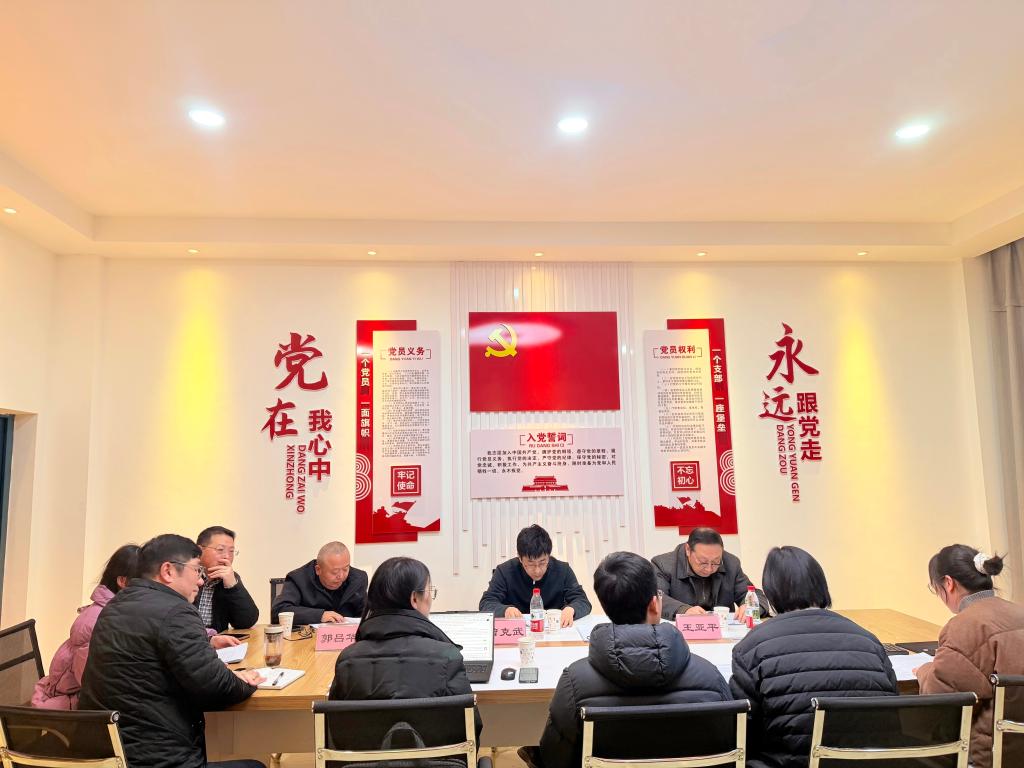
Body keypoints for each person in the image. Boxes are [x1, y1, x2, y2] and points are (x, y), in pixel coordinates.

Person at [523, 551, 731, 768]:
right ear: (654, 605)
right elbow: (730, 745)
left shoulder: (574, 681)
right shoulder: (710, 676)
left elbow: (554, 757)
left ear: (606, 607)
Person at [79, 534, 265, 768]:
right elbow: (216, 688)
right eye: (196, 570)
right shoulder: (176, 612)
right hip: (154, 757)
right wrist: (245, 680)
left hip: (107, 754)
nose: (201, 581)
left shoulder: (115, 605)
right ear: (167, 571)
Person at [730, 546, 897, 768]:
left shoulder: (751, 646)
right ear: (821, 585)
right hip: (868, 762)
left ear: (771, 594)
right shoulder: (868, 640)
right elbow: (892, 711)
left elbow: (743, 728)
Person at [328, 556, 482, 741]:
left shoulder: (348, 659)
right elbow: (469, 729)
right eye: (429, 591)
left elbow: (335, 729)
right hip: (440, 758)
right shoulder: (447, 656)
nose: (430, 598)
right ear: (414, 598)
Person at [915, 545, 1024, 768]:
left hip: (990, 757)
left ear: (948, 583)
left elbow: (940, 703)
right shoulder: (1019, 613)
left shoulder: (964, 627)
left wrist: (924, 671)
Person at [32, 544, 140, 709]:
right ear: (123, 582)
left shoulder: (116, 615)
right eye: (144, 581)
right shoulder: (100, 622)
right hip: (72, 709)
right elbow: (95, 686)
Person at [479, 524, 591, 627]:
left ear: (548, 556)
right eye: (531, 564)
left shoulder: (563, 570)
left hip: (554, 631)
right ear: (520, 558)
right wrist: (505, 610)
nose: (537, 571)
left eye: (542, 562)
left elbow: (582, 601)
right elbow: (486, 603)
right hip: (517, 632)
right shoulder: (504, 571)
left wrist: (571, 609)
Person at [652, 527, 762, 619]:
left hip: (724, 632)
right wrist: (683, 610)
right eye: (703, 562)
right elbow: (656, 597)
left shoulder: (731, 563)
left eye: (715, 562)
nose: (709, 569)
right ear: (688, 550)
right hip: (681, 633)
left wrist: (750, 606)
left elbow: (754, 594)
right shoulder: (663, 565)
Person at [272, 541, 368, 624]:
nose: (341, 576)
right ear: (318, 569)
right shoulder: (299, 579)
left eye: (345, 569)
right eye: (334, 572)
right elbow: (279, 611)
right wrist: (320, 615)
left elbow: (366, 614)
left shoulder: (358, 579)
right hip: (309, 636)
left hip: (347, 636)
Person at [193, 525, 258, 633]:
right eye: (220, 549)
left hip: (217, 640)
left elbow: (246, 622)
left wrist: (232, 586)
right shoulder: (186, 574)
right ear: (200, 550)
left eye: (231, 551)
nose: (227, 556)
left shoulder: (230, 578)